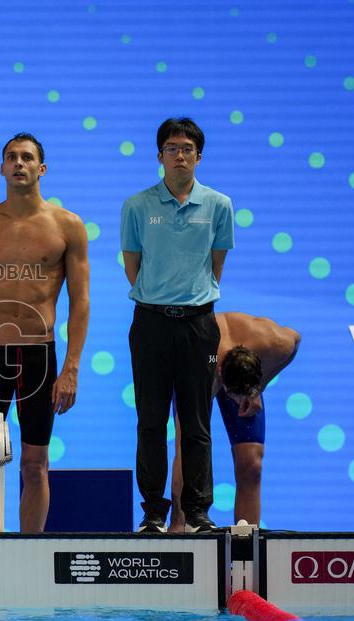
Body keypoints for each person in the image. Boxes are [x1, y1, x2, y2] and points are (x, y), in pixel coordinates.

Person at [0, 132, 90, 533]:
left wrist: (71, 369)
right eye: (11, 157)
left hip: (38, 358)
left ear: (41, 168)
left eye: (27, 158)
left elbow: (80, 302)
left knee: (35, 464)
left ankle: (29, 550)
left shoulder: (67, 226)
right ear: (1, 168)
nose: (19, 163)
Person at [121, 117, 235, 533]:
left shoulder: (219, 205)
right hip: (150, 324)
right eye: (172, 148)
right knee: (150, 421)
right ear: (160, 156)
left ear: (199, 156)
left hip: (198, 325)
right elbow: (133, 268)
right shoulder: (137, 206)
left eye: (187, 148)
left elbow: (215, 266)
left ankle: (198, 513)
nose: (180, 155)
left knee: (196, 422)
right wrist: (161, 299)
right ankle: (153, 512)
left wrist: (186, 300)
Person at [168, 313, 300, 531]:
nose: (237, 402)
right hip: (200, 365)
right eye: (235, 396)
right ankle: (182, 522)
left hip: (237, 361)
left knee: (252, 465)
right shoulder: (200, 370)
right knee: (191, 448)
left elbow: (296, 339)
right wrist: (176, 523)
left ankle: (246, 543)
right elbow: (183, 450)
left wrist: (260, 386)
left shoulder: (275, 342)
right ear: (221, 375)